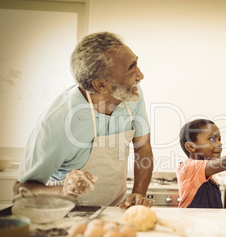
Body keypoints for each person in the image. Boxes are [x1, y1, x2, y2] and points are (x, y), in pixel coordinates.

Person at [14, 32, 153, 208]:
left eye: (136, 64)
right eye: (131, 70)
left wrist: (138, 194)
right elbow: (20, 188)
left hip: (112, 210)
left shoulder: (133, 94)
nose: (140, 76)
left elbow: (143, 148)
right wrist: (63, 190)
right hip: (64, 215)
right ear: (101, 85)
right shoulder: (57, 122)